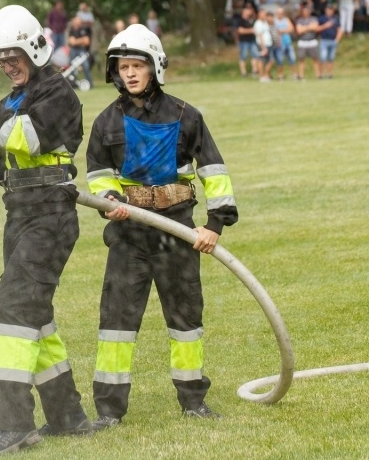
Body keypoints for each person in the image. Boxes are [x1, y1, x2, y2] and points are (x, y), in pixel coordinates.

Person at [85, 23, 237, 431]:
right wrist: (109, 202)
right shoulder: (105, 122)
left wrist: (214, 225)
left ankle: (193, 401)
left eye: (137, 65)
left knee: (186, 321)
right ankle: (109, 411)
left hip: (178, 234)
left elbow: (214, 172)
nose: (130, 73)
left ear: (155, 68)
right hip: (128, 238)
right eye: (122, 67)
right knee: (116, 323)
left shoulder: (187, 117)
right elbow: (98, 176)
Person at [0, 5, 91, 455]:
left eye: (12, 56)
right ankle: (68, 416)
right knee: (35, 313)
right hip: (19, 212)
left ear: (34, 48)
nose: (6, 66)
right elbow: (4, 170)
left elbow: (31, 139)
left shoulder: (59, 92)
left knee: (11, 307)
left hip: (51, 214)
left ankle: (15, 425)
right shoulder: (14, 98)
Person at [67, 16, 93, 89]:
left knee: (86, 66)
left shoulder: (84, 30)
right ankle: (73, 84)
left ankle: (90, 84)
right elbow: (72, 42)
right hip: (73, 50)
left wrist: (76, 41)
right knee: (72, 67)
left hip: (82, 50)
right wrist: (81, 40)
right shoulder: (71, 30)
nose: (78, 24)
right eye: (76, 22)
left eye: (79, 22)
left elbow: (87, 41)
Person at [295, 3, 320, 80]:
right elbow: (299, 31)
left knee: (315, 59)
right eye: (304, 11)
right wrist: (309, 27)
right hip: (303, 42)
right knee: (301, 59)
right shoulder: (299, 20)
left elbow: (315, 28)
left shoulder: (314, 19)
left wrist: (304, 28)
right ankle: (301, 75)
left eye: (307, 11)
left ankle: (318, 75)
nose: (306, 13)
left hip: (312, 41)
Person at [317, 4, 343, 79]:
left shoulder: (335, 19)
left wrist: (337, 39)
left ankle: (329, 74)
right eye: (328, 9)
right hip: (324, 40)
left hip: (332, 40)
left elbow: (339, 30)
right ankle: (321, 74)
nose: (329, 11)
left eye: (331, 10)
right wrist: (325, 26)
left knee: (331, 58)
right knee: (323, 57)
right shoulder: (322, 18)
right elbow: (317, 29)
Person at [274, 7, 297, 79]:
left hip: (288, 42)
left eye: (281, 13)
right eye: (279, 13)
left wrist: (282, 31)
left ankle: (294, 74)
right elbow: (275, 31)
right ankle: (280, 75)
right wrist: (285, 30)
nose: (280, 14)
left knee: (292, 59)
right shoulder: (274, 21)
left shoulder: (286, 20)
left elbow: (291, 29)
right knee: (280, 60)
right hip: (279, 43)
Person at [236, 5, 258, 76]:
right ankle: (243, 72)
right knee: (243, 56)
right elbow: (240, 30)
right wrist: (250, 30)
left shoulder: (251, 20)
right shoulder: (240, 20)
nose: (250, 12)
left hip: (252, 40)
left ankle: (255, 70)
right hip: (244, 41)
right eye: (248, 10)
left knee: (255, 55)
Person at [253, 8, 273, 82]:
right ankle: (262, 76)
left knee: (270, 61)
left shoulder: (265, 22)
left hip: (269, 44)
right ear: (259, 14)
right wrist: (263, 47)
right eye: (263, 14)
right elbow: (260, 36)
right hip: (262, 45)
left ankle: (266, 75)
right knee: (262, 61)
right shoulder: (258, 23)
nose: (265, 15)